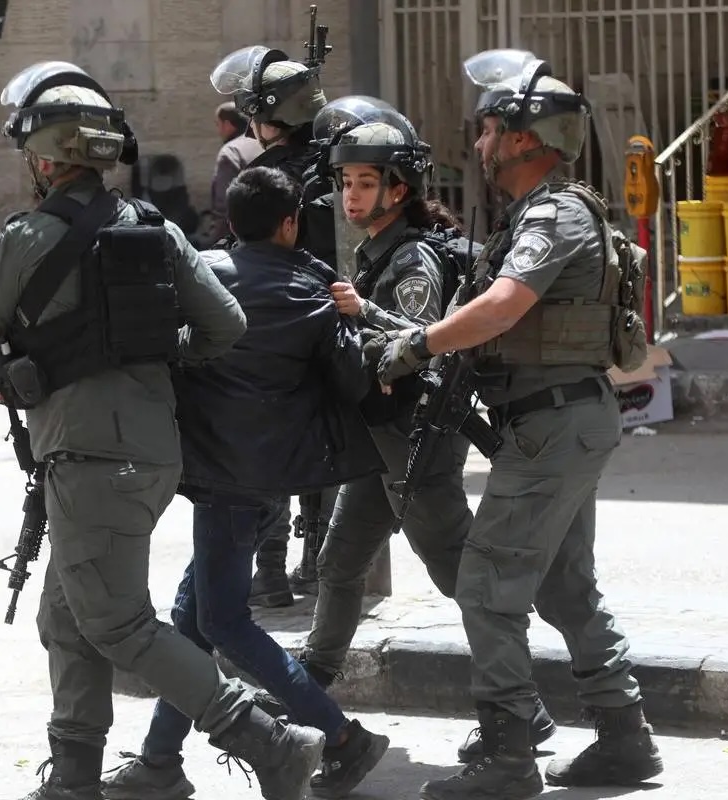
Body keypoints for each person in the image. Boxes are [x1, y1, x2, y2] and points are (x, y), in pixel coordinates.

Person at [0, 61, 326, 800]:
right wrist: (159, 354)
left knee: (119, 623)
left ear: (46, 158)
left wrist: (35, 369)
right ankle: (74, 778)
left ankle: (270, 739)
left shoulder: (25, 237)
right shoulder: (154, 231)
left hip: (89, 458)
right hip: (152, 454)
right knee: (68, 617)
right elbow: (225, 325)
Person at [377, 50, 664, 799]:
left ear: (524, 138)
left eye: (488, 129)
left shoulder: (555, 214)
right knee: (566, 587)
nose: (477, 144)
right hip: (556, 420)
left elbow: (503, 307)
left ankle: (508, 757)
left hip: (552, 424)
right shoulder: (544, 213)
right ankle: (625, 738)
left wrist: (417, 343)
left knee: (486, 586)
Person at [249, 95, 556, 765]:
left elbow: (424, 344)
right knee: (337, 563)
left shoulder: (411, 259)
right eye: (345, 182)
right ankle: (309, 691)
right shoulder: (376, 248)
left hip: (415, 442)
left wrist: (361, 316)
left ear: (398, 188)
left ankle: (521, 707)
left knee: (462, 578)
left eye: (365, 183)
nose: (351, 196)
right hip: (378, 441)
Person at [101, 166, 389, 800]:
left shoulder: (200, 275)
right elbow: (351, 381)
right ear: (290, 223)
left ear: (231, 221)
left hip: (220, 480)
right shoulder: (315, 284)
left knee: (224, 620)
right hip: (267, 477)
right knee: (192, 619)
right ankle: (159, 761)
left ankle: (343, 737)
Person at [209, 44, 339, 607]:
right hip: (332, 315)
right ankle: (320, 563)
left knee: (267, 451)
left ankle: (271, 570)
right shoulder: (343, 167)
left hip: (270, 327)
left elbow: (240, 245)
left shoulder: (264, 175)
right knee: (325, 446)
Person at [208, 101, 263, 241]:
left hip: (243, 240)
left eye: (218, 124)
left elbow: (224, 206)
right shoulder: (264, 143)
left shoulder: (231, 152)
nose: (218, 130)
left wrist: (215, 243)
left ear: (227, 124)